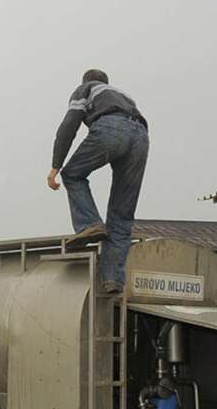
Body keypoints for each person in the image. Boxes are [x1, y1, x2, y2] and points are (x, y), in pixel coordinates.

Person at [47, 69, 149, 294]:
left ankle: (89, 224)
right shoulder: (123, 95)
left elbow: (69, 125)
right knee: (122, 215)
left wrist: (56, 165)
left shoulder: (86, 88)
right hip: (141, 137)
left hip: (112, 129)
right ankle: (113, 279)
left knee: (72, 174)